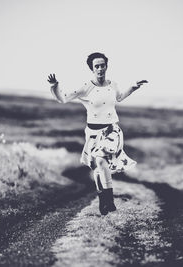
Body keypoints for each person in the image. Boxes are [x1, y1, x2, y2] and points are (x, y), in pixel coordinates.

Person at [47, 52, 148, 215]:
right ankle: (103, 199)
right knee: (97, 167)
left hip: (111, 130)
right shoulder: (86, 87)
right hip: (93, 133)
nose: (100, 68)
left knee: (101, 161)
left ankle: (109, 200)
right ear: (92, 69)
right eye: (97, 66)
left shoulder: (113, 85)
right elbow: (63, 98)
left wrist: (134, 86)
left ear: (106, 66)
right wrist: (54, 85)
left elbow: (120, 97)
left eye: (103, 65)